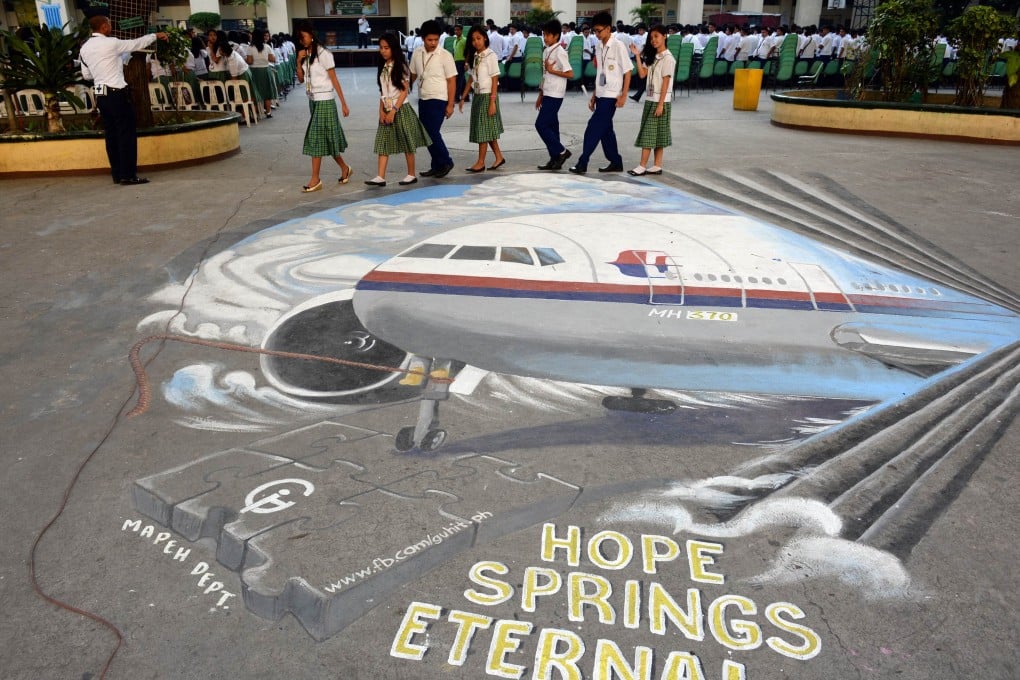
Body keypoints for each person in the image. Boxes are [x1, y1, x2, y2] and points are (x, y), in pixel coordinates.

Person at [79, 15, 168, 185]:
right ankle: (128, 175)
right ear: (104, 27)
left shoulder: (84, 48)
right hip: (117, 93)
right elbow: (135, 43)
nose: (111, 27)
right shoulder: (111, 43)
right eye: (110, 24)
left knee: (111, 134)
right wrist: (155, 36)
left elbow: (87, 74)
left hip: (101, 95)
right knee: (126, 134)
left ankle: (117, 173)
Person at [365, 33, 431, 187]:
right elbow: (382, 91)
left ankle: (411, 174)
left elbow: (404, 90)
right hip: (387, 109)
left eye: (386, 48)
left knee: (407, 141)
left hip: (400, 109)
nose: (383, 51)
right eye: (381, 48)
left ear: (393, 48)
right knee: (383, 142)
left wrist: (394, 110)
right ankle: (380, 176)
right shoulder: (383, 66)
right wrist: (381, 111)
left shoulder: (400, 66)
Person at [568, 12, 630, 174]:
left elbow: (628, 71)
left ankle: (583, 162)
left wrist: (623, 95)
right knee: (606, 131)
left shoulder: (618, 46)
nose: (596, 34)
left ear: (608, 28)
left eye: (599, 30)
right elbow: (601, 73)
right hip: (601, 94)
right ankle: (616, 161)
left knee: (593, 127)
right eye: (594, 31)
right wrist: (595, 95)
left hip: (612, 95)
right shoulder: (599, 46)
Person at [295, 21, 353, 192]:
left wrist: (343, 103)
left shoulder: (324, 54)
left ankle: (315, 179)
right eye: (299, 38)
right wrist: (298, 61)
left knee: (315, 138)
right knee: (327, 139)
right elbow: (300, 79)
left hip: (325, 100)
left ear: (311, 35)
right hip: (312, 101)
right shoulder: (305, 54)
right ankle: (345, 168)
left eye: (303, 37)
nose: (302, 40)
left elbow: (334, 79)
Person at [409, 20, 457, 178]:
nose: (433, 43)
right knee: (426, 133)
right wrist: (404, 86)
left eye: (436, 39)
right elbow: (413, 74)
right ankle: (436, 165)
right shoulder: (417, 53)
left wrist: (450, 104)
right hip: (423, 98)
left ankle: (446, 161)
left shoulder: (445, 56)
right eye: (430, 40)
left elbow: (451, 81)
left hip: (439, 98)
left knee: (432, 132)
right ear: (423, 38)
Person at [458, 25, 505, 172]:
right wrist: (463, 96)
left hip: (487, 96)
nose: (476, 42)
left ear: (485, 37)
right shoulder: (476, 56)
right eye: (473, 40)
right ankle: (499, 157)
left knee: (483, 132)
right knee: (487, 130)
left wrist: (492, 102)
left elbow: (495, 79)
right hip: (478, 96)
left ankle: (480, 162)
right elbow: (471, 78)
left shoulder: (490, 55)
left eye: (478, 38)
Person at [629, 25, 674, 176]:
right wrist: (637, 55)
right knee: (658, 134)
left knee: (648, 133)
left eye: (656, 36)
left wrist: (660, 104)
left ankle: (642, 166)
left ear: (664, 36)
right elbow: (642, 75)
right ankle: (657, 165)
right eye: (651, 37)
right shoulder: (653, 57)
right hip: (650, 99)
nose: (653, 40)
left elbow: (666, 83)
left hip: (660, 101)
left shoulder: (668, 58)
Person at [534, 19, 573, 170]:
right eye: (544, 34)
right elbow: (545, 75)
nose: (545, 37)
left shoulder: (560, 52)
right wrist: (540, 95)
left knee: (540, 125)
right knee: (552, 127)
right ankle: (555, 159)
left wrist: (553, 71)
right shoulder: (547, 50)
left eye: (548, 35)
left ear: (556, 36)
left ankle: (562, 151)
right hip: (548, 92)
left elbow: (570, 74)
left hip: (556, 94)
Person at [247, 29, 278, 117]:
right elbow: (272, 59)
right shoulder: (267, 47)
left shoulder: (250, 47)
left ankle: (256, 113)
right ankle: (268, 112)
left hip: (254, 71)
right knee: (267, 92)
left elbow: (249, 61)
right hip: (265, 70)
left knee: (255, 92)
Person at [452, 25, 468, 102]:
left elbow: (467, 53)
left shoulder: (464, 40)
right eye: (455, 30)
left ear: (461, 31)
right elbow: (454, 52)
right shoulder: (455, 41)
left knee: (459, 80)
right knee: (462, 80)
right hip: (456, 61)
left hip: (462, 61)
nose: (456, 31)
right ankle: (466, 96)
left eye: (458, 30)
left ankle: (457, 97)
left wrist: (466, 63)